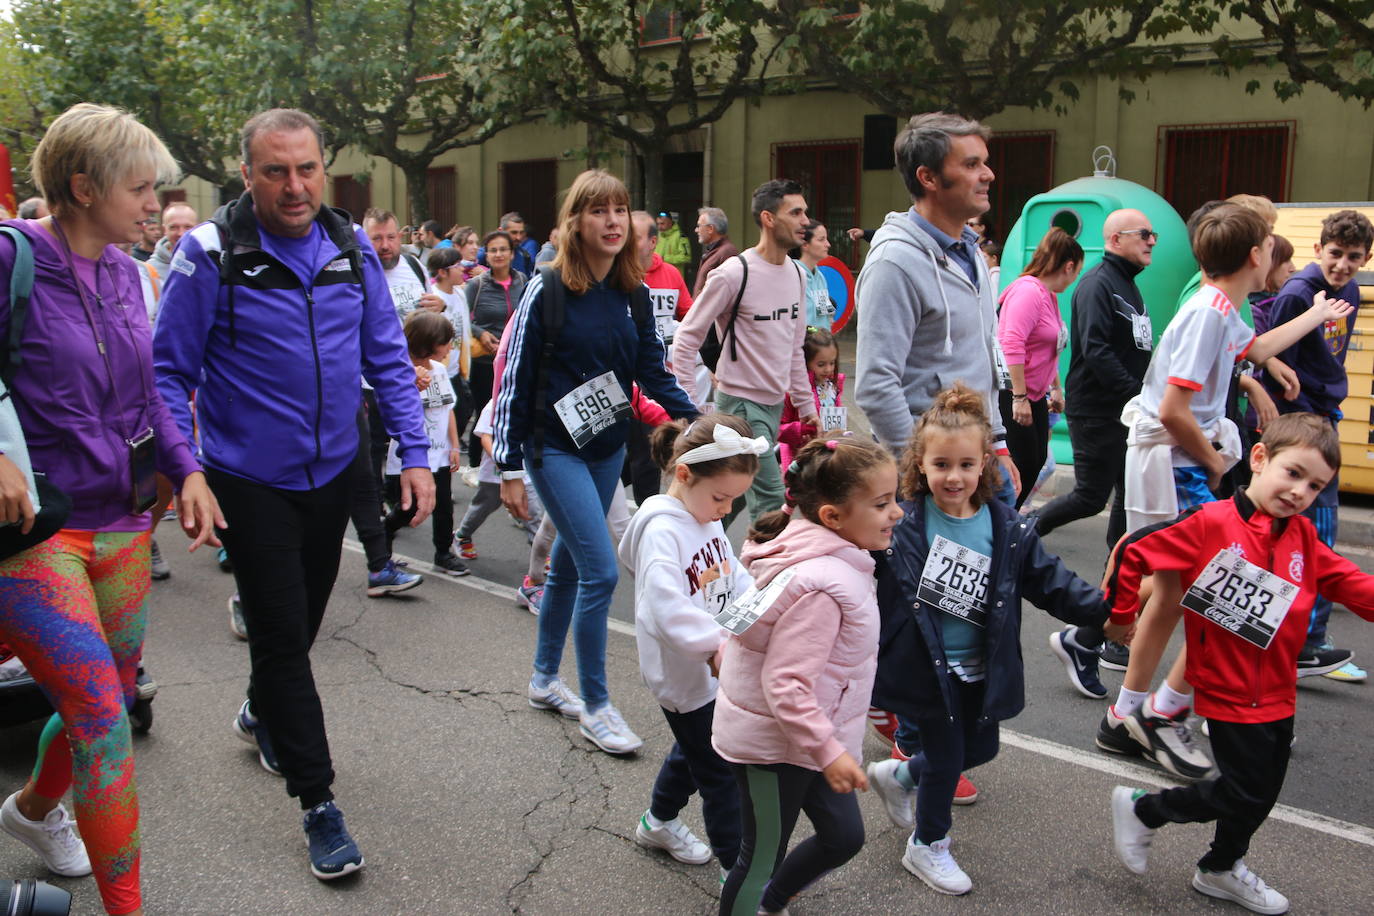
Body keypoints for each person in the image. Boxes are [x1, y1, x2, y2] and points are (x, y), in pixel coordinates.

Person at [154, 107, 434, 881]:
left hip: (337, 470)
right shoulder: (207, 254)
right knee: (282, 637)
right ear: (247, 175)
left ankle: (261, 709)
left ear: (324, 170)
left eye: (307, 168)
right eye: (275, 170)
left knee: (298, 627)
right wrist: (188, 470)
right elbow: (167, 374)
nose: (294, 185)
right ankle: (318, 802)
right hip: (250, 482)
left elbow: (385, 352)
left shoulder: (349, 246)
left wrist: (415, 454)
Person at [0, 102, 221, 916]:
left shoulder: (136, 274)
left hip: (126, 522)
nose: (153, 202)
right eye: (139, 187)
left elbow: (148, 397)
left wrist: (187, 471)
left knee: (111, 698)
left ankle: (28, 812)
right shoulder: (9, 257)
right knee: (100, 716)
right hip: (38, 533)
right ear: (83, 187)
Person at [1099, 202, 1354, 780]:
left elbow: (1257, 350)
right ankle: (1150, 709)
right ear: (1255, 255)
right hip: (1176, 461)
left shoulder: (1223, 307)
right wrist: (1215, 464)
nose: (1274, 255)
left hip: (1184, 459)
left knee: (1189, 593)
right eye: (1270, 244)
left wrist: (1314, 316)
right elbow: (1174, 408)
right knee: (1212, 593)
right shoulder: (1209, 313)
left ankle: (1136, 708)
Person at [1108, 413, 1374, 916]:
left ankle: (1221, 867)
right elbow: (1135, 552)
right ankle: (1146, 811)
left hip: (1278, 690)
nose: (1300, 492)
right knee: (1244, 791)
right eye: (1293, 473)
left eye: (1315, 486)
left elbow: (1353, 584)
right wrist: (1120, 616)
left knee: (1262, 793)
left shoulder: (1302, 540)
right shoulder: (1211, 523)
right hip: (1227, 691)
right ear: (1259, 458)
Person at [865, 385, 1120, 895]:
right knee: (944, 757)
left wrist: (1105, 614)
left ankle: (900, 776)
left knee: (978, 750)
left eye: (965, 464)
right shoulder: (902, 523)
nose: (953, 477)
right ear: (920, 465)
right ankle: (928, 843)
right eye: (941, 465)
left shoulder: (1007, 527)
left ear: (985, 464)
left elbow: (1051, 580)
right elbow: (849, 555)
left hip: (980, 665)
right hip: (925, 668)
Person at [493, 168, 699, 755]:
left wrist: (693, 417)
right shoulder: (548, 288)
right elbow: (513, 377)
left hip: (607, 440)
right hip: (551, 446)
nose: (611, 221)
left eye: (620, 210)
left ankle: (542, 680)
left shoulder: (632, 292)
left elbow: (652, 369)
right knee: (600, 570)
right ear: (575, 222)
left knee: (564, 563)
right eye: (598, 211)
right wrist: (508, 466)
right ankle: (599, 707)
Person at [714, 436, 901, 916]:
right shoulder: (822, 585)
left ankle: (771, 903)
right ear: (833, 517)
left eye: (894, 499)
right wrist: (830, 752)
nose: (896, 513)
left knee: (844, 836)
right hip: (776, 747)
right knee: (759, 859)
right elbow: (786, 684)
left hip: (814, 740)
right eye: (881, 504)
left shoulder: (833, 561)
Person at [617, 415, 763, 875]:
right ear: (684, 474)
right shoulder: (664, 530)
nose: (726, 510)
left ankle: (658, 821)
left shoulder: (705, 515)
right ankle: (736, 875)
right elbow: (662, 607)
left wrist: (759, 606)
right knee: (720, 773)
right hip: (686, 674)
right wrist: (714, 647)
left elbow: (730, 572)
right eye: (721, 497)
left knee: (695, 750)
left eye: (734, 500)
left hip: (714, 665)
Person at [854, 111, 1021, 507]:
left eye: (984, 161)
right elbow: (876, 387)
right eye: (970, 164)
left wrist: (997, 444)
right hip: (934, 479)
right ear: (928, 177)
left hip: (979, 462)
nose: (988, 174)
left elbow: (982, 359)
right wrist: (923, 472)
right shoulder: (894, 264)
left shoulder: (969, 252)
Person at [1258, 209, 1373, 682]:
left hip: (1324, 415)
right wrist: (1298, 419)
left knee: (1309, 536)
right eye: (1335, 254)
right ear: (1317, 250)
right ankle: (1307, 643)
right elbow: (1270, 360)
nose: (1343, 264)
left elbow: (1332, 355)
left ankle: (1303, 638)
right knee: (1313, 535)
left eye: (1354, 257)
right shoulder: (1298, 294)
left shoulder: (1350, 291)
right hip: (1298, 425)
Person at [671, 180, 817, 528]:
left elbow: (795, 349)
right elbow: (685, 340)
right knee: (771, 499)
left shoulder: (798, 274)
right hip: (738, 409)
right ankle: (764, 577)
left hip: (774, 405)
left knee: (729, 497)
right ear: (768, 218)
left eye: (805, 212)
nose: (805, 221)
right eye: (795, 212)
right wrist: (689, 410)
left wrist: (807, 406)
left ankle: (697, 557)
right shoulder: (735, 272)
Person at [1033, 209, 1158, 551]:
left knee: (1128, 492)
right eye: (1144, 234)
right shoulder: (1097, 283)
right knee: (1090, 496)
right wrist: (1137, 394)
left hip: (1124, 412)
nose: (1151, 241)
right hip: (1098, 412)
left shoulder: (1128, 283)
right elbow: (1096, 350)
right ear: (1116, 240)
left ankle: (1115, 571)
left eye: (1153, 236)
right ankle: (1020, 534)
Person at [997, 227, 1081, 510]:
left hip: (1035, 395)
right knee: (1020, 469)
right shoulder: (1028, 292)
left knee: (1034, 464)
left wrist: (1055, 388)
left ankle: (1009, 524)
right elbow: (1012, 344)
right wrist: (1018, 397)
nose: (1074, 279)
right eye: (1076, 272)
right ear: (1069, 266)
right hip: (1013, 395)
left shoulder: (1050, 296)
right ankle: (1000, 526)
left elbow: (1050, 346)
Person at [383, 311, 467, 574]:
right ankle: (383, 533)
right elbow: (391, 410)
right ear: (428, 342)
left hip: (439, 454)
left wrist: (454, 446)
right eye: (446, 342)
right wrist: (411, 385)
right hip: (410, 457)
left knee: (443, 507)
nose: (450, 349)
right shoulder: (401, 371)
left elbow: (448, 409)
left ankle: (443, 553)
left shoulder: (441, 371)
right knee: (410, 509)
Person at [625, 210, 694, 504]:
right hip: (623, 384)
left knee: (646, 453)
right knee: (628, 456)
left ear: (653, 241)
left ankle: (646, 512)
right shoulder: (616, 281)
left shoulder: (670, 275)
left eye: (636, 237)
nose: (628, 242)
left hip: (655, 375)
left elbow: (689, 316)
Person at [465, 229, 526, 467]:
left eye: (503, 249)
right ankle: (474, 465)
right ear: (486, 255)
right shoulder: (476, 285)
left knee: (512, 410)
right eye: (493, 250)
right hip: (484, 361)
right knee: (483, 412)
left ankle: (507, 462)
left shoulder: (523, 281)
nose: (498, 254)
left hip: (516, 359)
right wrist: (482, 334)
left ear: (512, 254)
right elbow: (461, 319)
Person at [778, 326, 844, 469]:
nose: (828, 369)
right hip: (799, 458)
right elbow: (778, 427)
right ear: (804, 362)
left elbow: (836, 415)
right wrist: (801, 430)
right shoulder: (792, 390)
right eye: (821, 364)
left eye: (832, 363)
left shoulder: (833, 385)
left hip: (828, 454)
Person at [795, 219, 834, 329]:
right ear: (805, 244)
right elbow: (796, 325)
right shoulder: (793, 275)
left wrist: (826, 339)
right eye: (821, 240)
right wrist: (816, 333)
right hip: (802, 344)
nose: (828, 244)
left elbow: (824, 314)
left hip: (820, 344)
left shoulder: (820, 277)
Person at [693, 206, 737, 298]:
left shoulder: (727, 252)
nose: (696, 230)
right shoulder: (715, 252)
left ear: (710, 229)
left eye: (699, 226)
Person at [147, 201, 196, 282]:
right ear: (164, 230)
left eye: (187, 227)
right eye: (174, 227)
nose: (181, 233)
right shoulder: (149, 271)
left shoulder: (208, 264)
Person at [655, 210, 691, 278]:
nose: (659, 227)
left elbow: (686, 257)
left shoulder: (680, 236)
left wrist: (665, 259)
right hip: (658, 276)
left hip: (673, 277)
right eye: (658, 224)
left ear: (670, 222)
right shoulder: (657, 236)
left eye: (662, 224)